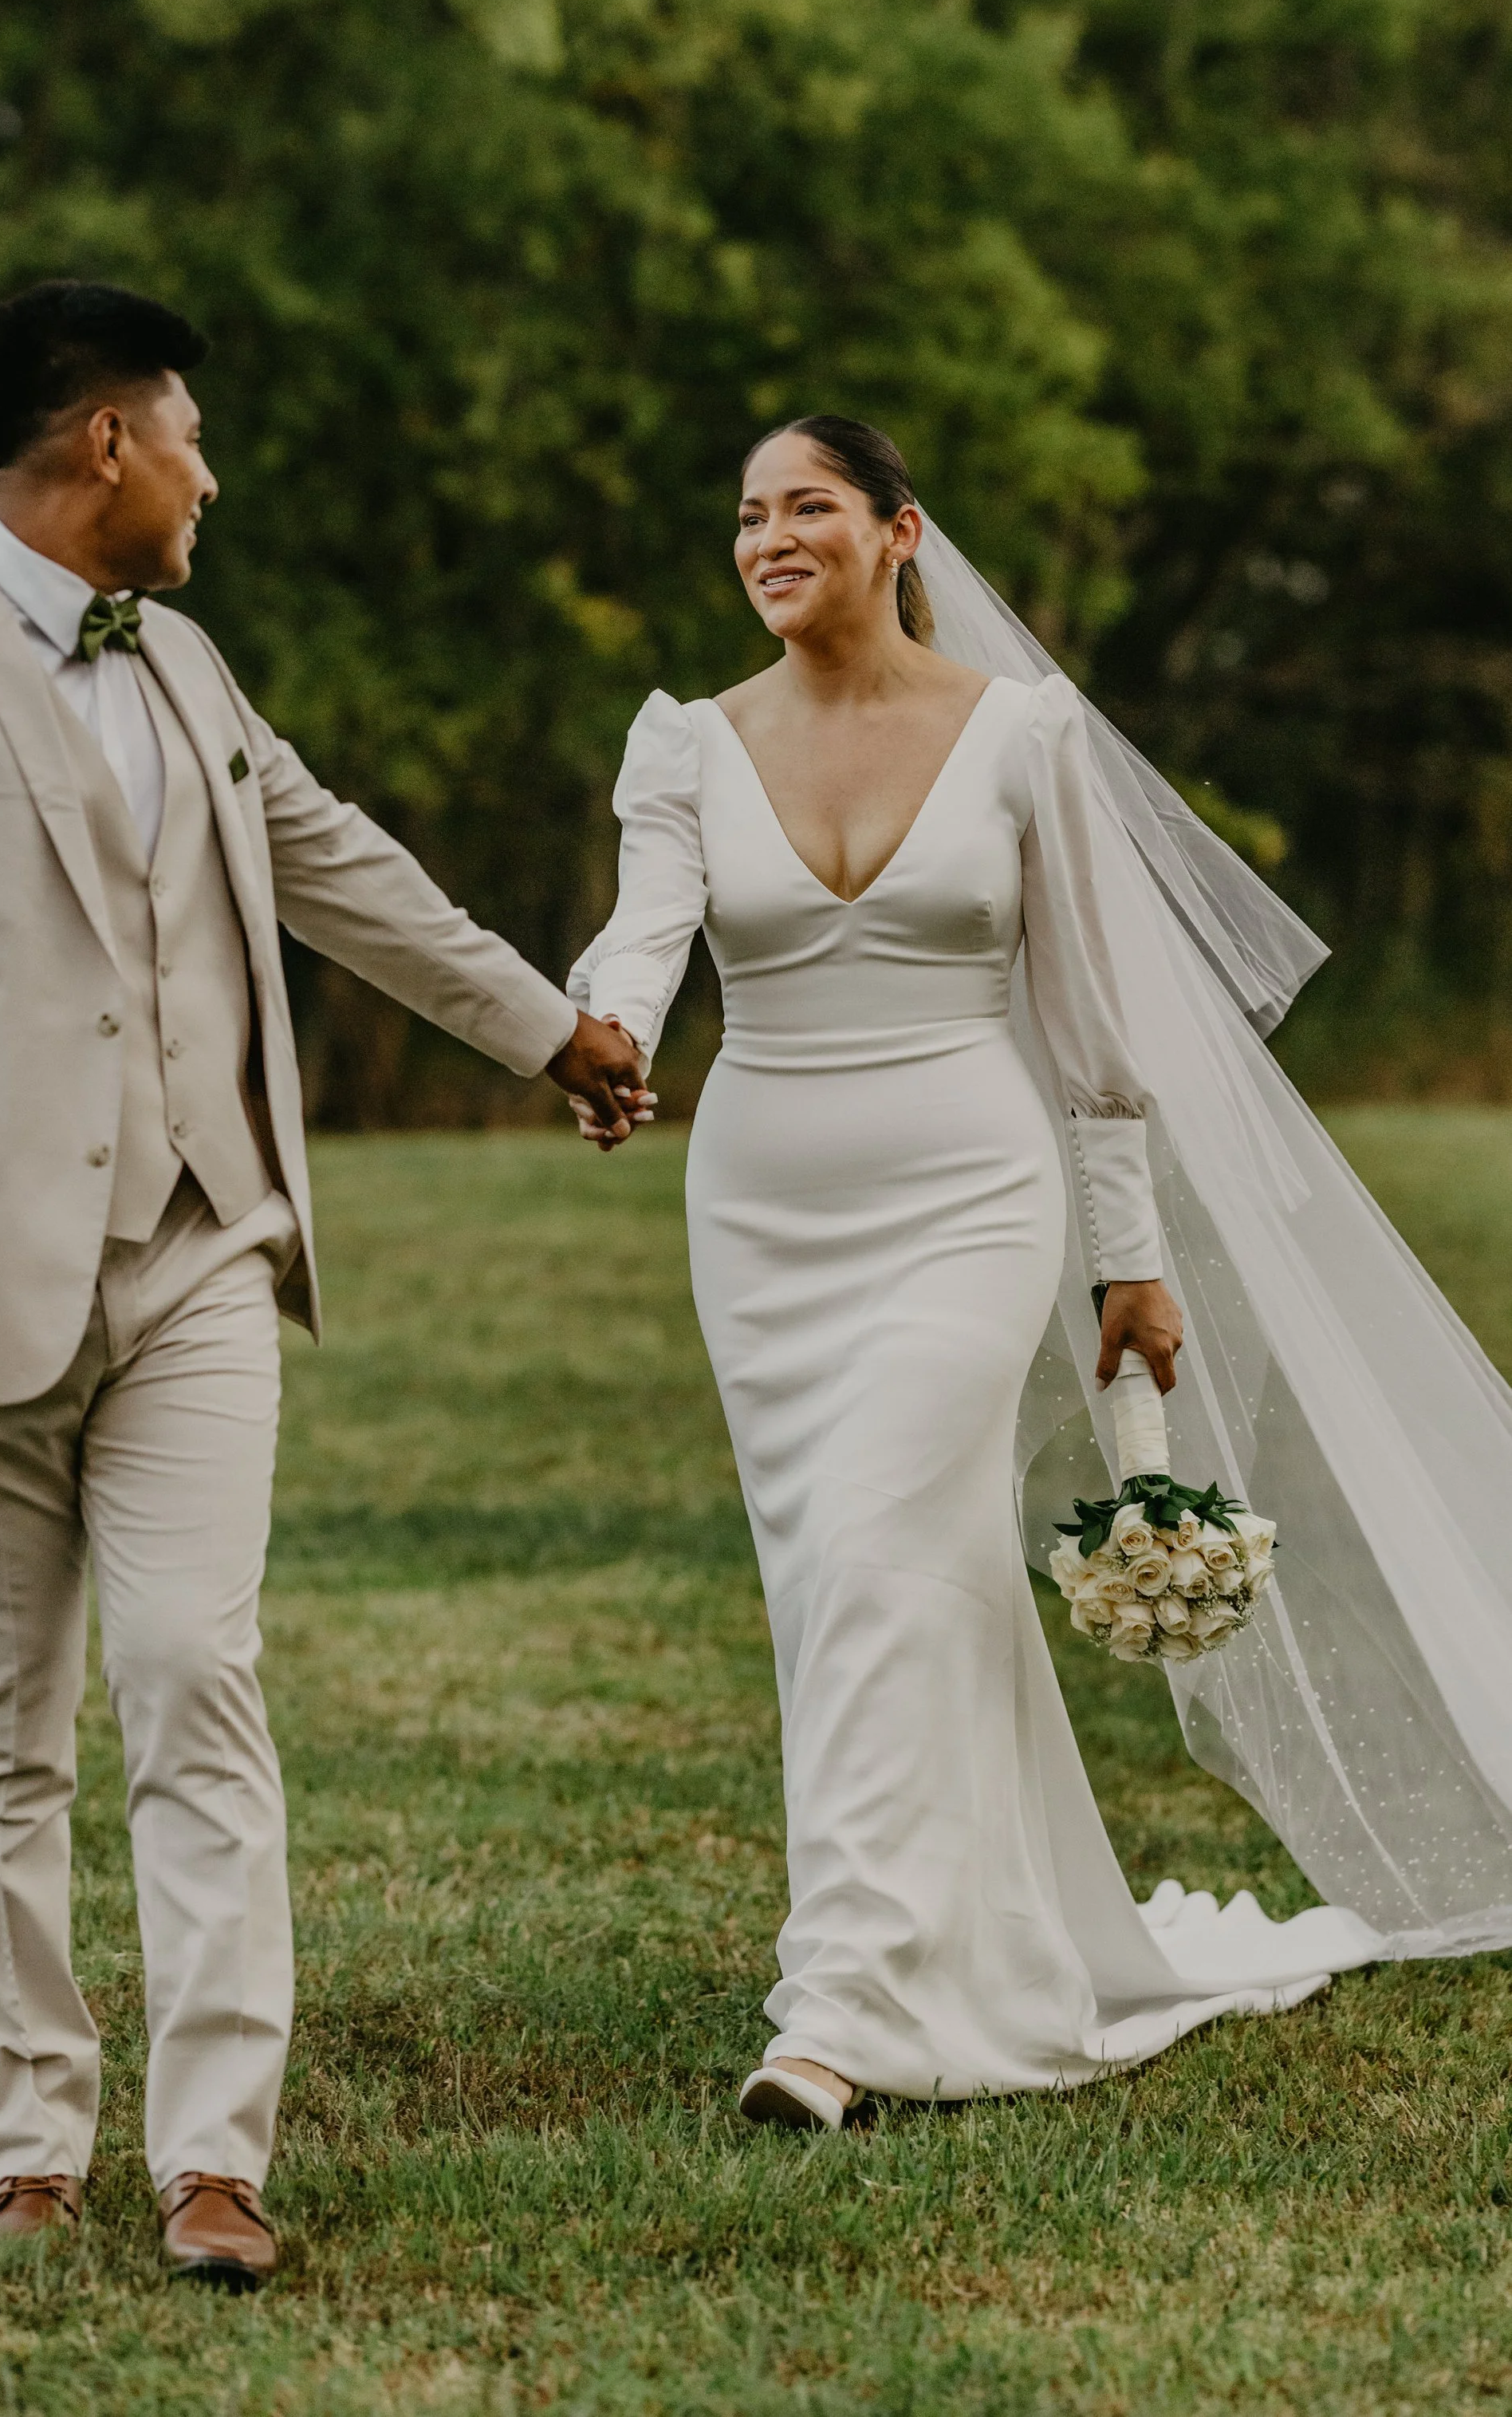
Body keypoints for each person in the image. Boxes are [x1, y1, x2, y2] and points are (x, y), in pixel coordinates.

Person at [0, 280, 648, 2278]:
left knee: (191, 1670)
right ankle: (27, 2150)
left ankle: (212, 2157)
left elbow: (333, 860)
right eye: (189, 439)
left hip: (200, 1249)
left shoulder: (186, 661)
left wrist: (543, 1028)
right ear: (106, 445)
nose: (206, 479)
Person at [568, 413, 1512, 2129]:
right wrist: (607, 1033)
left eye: (806, 506)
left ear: (897, 530)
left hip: (967, 1195)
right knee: (852, 1577)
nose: (767, 538)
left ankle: (833, 2008)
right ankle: (971, 1933)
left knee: (876, 1543)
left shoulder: (1020, 733)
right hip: (762, 1212)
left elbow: (1085, 1009)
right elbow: (643, 934)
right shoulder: (686, 742)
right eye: (747, 515)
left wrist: (1124, 1258)